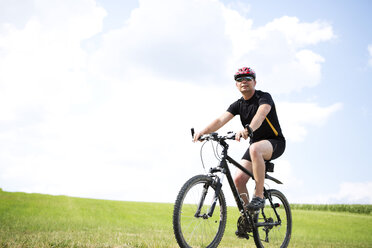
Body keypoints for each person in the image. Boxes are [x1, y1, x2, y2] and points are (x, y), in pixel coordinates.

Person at [193, 67, 286, 212]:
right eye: (239, 79)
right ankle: (248, 216)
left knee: (255, 148)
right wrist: (203, 132)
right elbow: (220, 120)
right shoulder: (238, 105)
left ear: (254, 82)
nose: (244, 81)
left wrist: (248, 129)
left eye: (248, 78)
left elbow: (261, 115)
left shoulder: (264, 97)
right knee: (238, 180)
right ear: (236, 85)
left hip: (275, 143)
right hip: (255, 146)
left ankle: (259, 196)